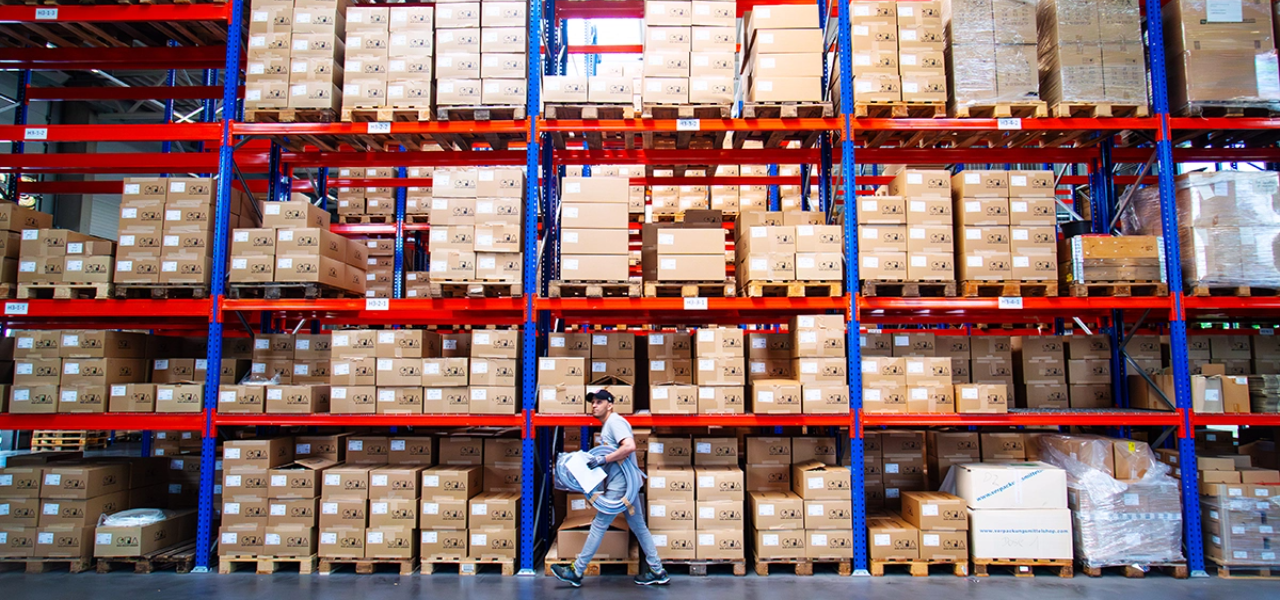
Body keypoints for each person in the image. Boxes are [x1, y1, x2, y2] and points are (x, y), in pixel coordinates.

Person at [551, 389, 670, 587]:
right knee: (639, 527)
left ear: (610, 404)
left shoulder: (615, 422)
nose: (594, 406)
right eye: (593, 402)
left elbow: (629, 446)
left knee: (599, 525)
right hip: (623, 484)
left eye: (599, 402)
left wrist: (603, 459)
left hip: (622, 484)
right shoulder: (608, 426)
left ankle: (577, 570)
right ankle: (658, 570)